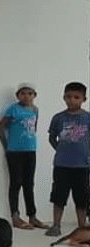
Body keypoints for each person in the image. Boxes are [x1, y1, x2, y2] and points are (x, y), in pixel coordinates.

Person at [0, 83, 47, 230]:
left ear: (35, 95)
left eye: (30, 93)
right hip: (15, 152)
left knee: (29, 183)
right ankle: (15, 216)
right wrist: (7, 146)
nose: (26, 96)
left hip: (30, 150)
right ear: (18, 96)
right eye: (23, 93)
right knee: (16, 182)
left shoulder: (35, 110)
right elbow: (0, 127)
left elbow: (33, 128)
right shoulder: (13, 109)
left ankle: (32, 216)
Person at [44, 81, 90, 237]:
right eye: (68, 96)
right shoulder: (58, 118)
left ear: (84, 99)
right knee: (58, 196)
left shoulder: (87, 118)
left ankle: (82, 227)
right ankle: (56, 225)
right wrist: (61, 150)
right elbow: (52, 138)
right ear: (64, 97)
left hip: (82, 166)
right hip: (62, 165)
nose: (72, 100)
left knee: (82, 198)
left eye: (76, 97)